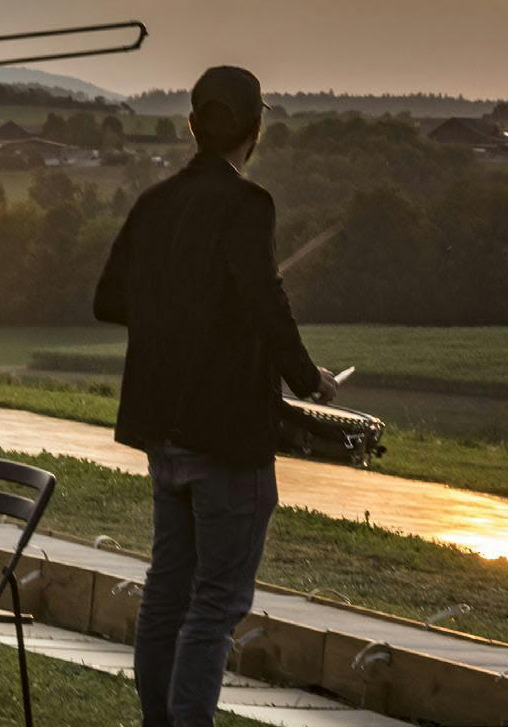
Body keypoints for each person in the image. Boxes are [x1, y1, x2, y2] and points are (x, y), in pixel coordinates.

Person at [94, 64, 339, 727]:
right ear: (256, 130)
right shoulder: (248, 205)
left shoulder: (155, 202)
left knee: (167, 593)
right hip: (226, 435)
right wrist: (309, 378)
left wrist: (175, 312)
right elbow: (265, 301)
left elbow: (109, 298)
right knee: (214, 604)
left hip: (162, 430)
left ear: (193, 126)